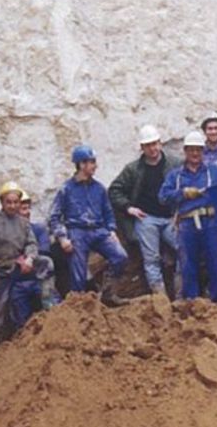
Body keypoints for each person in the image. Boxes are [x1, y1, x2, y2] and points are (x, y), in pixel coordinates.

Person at [48, 144, 130, 306]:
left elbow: (108, 213)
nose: (95, 166)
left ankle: (108, 294)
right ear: (81, 164)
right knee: (78, 274)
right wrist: (63, 238)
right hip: (76, 231)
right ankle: (78, 308)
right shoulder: (66, 189)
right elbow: (54, 217)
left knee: (120, 256)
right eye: (91, 162)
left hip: (99, 231)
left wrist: (112, 230)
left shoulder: (99, 189)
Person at [159, 131, 217, 301]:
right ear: (185, 151)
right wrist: (182, 193)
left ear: (203, 151)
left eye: (198, 150)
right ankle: (192, 302)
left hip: (210, 222)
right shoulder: (176, 175)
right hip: (187, 224)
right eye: (191, 150)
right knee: (188, 265)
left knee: (216, 262)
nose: (194, 154)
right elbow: (163, 196)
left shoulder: (214, 171)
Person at [108, 124, 181, 296]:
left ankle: (181, 295)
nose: (152, 148)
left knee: (184, 250)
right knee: (151, 258)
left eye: (155, 143)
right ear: (142, 148)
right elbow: (114, 190)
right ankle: (160, 297)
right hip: (146, 218)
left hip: (171, 217)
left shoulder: (175, 163)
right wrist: (128, 207)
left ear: (160, 143)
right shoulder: (133, 169)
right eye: (148, 145)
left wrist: (180, 211)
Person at [0, 181, 39, 347]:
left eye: (16, 202)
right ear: (2, 202)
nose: (12, 206)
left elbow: (32, 244)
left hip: (17, 271)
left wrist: (29, 259)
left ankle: (21, 346)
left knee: (20, 308)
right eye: (8, 202)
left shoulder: (24, 223)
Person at [14, 190, 60, 320]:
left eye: (28, 208)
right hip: (18, 282)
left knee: (54, 309)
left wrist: (26, 260)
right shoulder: (7, 235)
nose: (27, 212)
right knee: (21, 319)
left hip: (39, 279)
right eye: (23, 209)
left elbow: (44, 253)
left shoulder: (38, 229)